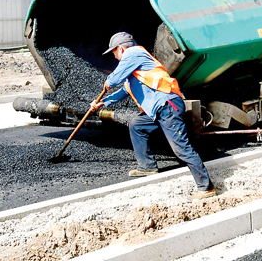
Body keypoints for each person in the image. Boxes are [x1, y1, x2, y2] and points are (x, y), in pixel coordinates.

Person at [90, 32, 216, 200]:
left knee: (181, 148)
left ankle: (206, 187)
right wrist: (103, 103)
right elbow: (124, 90)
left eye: (114, 52)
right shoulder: (136, 70)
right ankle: (147, 166)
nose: (115, 57)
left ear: (120, 48)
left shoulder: (134, 53)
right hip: (158, 108)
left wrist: (107, 83)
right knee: (137, 125)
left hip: (168, 105)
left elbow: (113, 81)